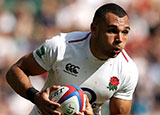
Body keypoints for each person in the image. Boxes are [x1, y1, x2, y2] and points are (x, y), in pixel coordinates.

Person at [6, 3, 139, 115]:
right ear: (94, 28)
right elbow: (15, 71)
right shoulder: (62, 46)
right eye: (112, 31)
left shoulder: (127, 70)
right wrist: (35, 97)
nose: (120, 39)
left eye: (125, 32)